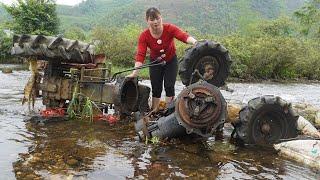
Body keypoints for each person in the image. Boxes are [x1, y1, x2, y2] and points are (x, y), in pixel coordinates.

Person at [127, 7, 197, 112]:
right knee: (156, 87)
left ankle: (168, 111)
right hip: (155, 62)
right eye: (152, 19)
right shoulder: (144, 36)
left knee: (169, 86)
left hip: (171, 61)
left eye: (157, 18)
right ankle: (154, 111)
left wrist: (196, 42)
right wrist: (134, 73)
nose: (155, 22)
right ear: (147, 21)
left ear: (161, 18)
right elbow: (140, 55)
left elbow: (183, 36)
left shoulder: (169, 28)